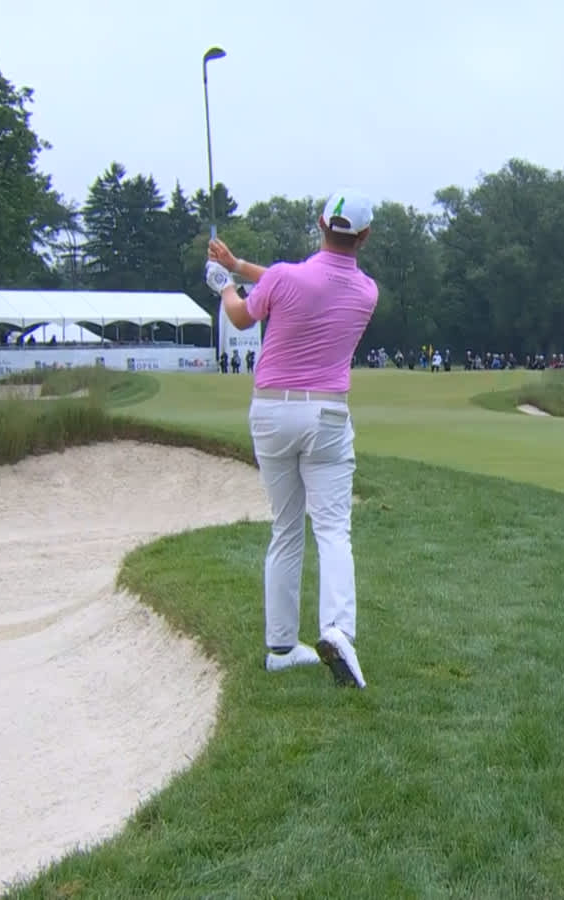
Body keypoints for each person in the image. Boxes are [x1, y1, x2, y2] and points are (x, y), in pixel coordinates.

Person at [205, 189, 379, 689]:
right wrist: (238, 265)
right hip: (327, 415)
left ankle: (281, 647)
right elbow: (303, 284)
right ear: (364, 236)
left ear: (320, 224)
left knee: (286, 528)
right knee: (333, 529)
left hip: (271, 412)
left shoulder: (285, 277)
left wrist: (224, 284)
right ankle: (337, 630)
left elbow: (244, 314)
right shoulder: (366, 292)